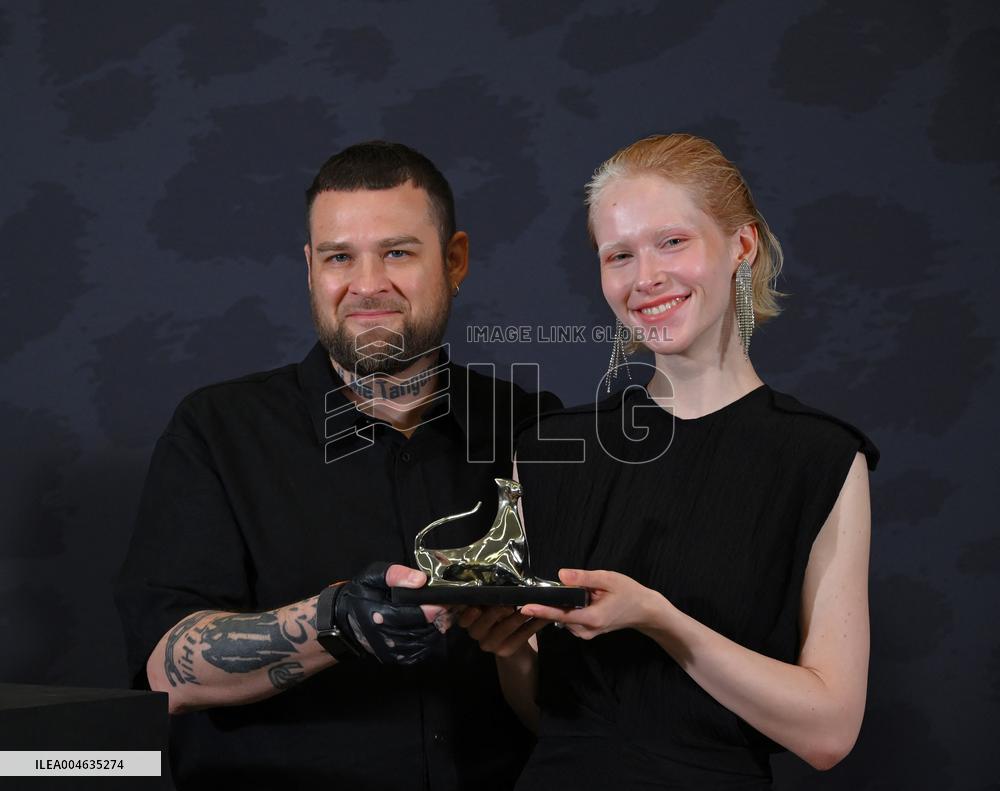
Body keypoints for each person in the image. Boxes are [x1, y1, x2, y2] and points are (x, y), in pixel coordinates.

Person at [114, 141, 560, 790]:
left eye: (398, 252)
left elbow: (579, 704)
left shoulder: (532, 428)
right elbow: (166, 669)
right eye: (339, 257)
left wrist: (519, 647)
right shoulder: (217, 429)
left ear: (455, 259)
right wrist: (333, 621)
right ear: (310, 268)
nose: (368, 284)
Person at [460, 133, 879, 789]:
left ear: (742, 245)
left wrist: (659, 618)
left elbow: (828, 732)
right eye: (619, 255)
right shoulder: (544, 449)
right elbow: (548, 717)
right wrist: (510, 651)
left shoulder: (820, 458)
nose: (645, 277)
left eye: (672, 242)